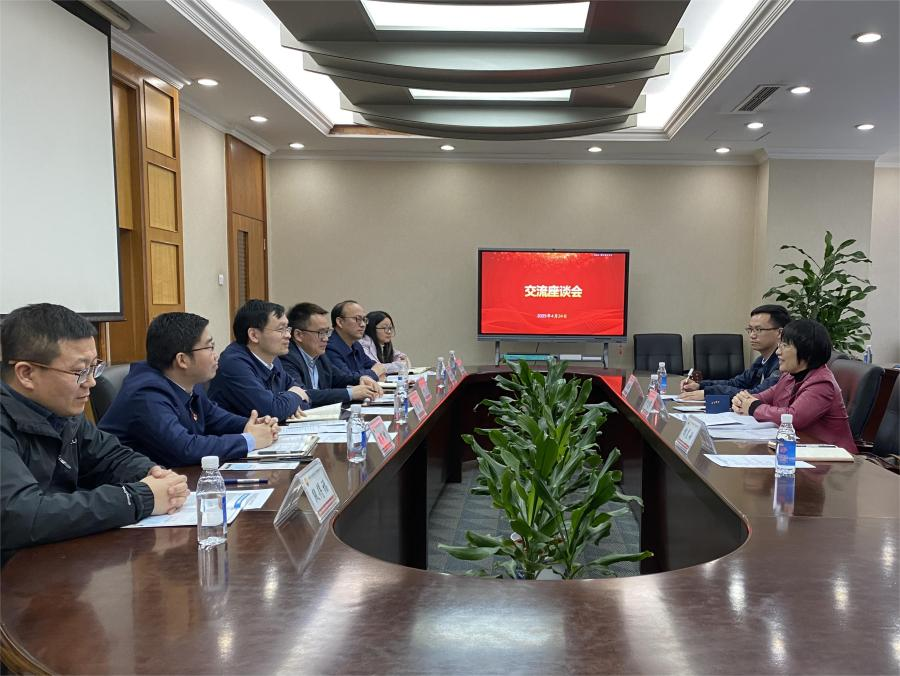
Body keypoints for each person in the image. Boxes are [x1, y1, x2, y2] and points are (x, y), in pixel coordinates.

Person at [1, 304, 189, 564]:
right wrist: (140, 497)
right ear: (26, 374)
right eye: (80, 371)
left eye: (94, 368)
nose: (90, 382)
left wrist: (154, 475)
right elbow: (22, 516)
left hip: (57, 561)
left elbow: (111, 457)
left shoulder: (63, 413)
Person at [100, 312, 280, 467]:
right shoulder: (146, 393)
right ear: (182, 360)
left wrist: (254, 425)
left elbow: (214, 418)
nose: (215, 355)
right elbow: (185, 448)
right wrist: (249, 440)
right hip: (131, 487)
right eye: (209, 347)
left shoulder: (188, 382)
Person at [732, 319, 857, 451]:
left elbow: (793, 417)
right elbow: (763, 397)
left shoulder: (822, 383)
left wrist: (753, 407)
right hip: (801, 449)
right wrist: (742, 401)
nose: (778, 352)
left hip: (832, 456)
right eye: (779, 345)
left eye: (785, 346)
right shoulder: (790, 375)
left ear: (806, 351)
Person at [208, 299, 310, 420]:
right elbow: (272, 411)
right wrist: (291, 399)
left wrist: (288, 404)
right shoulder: (233, 363)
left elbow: (304, 395)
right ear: (254, 335)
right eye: (280, 329)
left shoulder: (273, 359)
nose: (288, 335)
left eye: (287, 329)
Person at [679, 304, 791, 400]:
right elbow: (736, 383)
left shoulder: (784, 363)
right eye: (750, 330)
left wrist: (709, 393)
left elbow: (757, 394)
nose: (752, 335)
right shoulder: (761, 360)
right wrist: (700, 385)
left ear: (779, 333)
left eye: (758, 330)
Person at [282, 303, 382, 407]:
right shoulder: (287, 358)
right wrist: (351, 393)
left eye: (327, 332)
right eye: (320, 333)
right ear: (299, 335)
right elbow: (302, 394)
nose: (326, 338)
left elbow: (340, 378)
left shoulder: (320, 356)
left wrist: (362, 378)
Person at [326, 300, 387, 383]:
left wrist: (375, 372)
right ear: (340, 322)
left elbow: (377, 367)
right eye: (357, 319)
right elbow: (347, 378)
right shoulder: (329, 347)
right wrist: (374, 373)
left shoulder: (356, 345)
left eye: (364, 320)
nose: (363, 324)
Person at [361, 310, 410, 375]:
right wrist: (400, 365)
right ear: (371, 329)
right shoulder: (364, 345)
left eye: (390, 328)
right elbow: (377, 368)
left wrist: (401, 362)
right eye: (384, 328)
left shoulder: (383, 345)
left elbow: (402, 357)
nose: (389, 332)